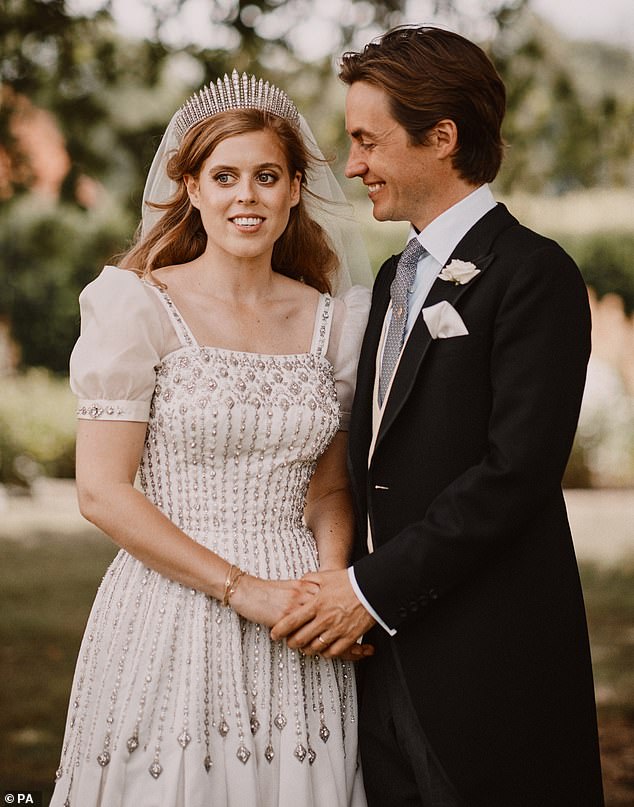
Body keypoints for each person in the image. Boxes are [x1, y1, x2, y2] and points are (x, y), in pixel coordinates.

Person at [272, 26, 605, 807]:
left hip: (490, 665)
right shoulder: (393, 277)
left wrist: (370, 590)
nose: (352, 165)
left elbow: (513, 474)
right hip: (382, 666)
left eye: (366, 141)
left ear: (442, 137)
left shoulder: (533, 273)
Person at [50, 71, 373, 807]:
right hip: (171, 609)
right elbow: (102, 492)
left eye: (266, 176)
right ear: (191, 188)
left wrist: (326, 586)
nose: (246, 196)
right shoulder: (136, 306)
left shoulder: (337, 323)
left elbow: (327, 487)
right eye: (224, 176)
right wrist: (243, 589)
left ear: (296, 187)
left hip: (301, 623)